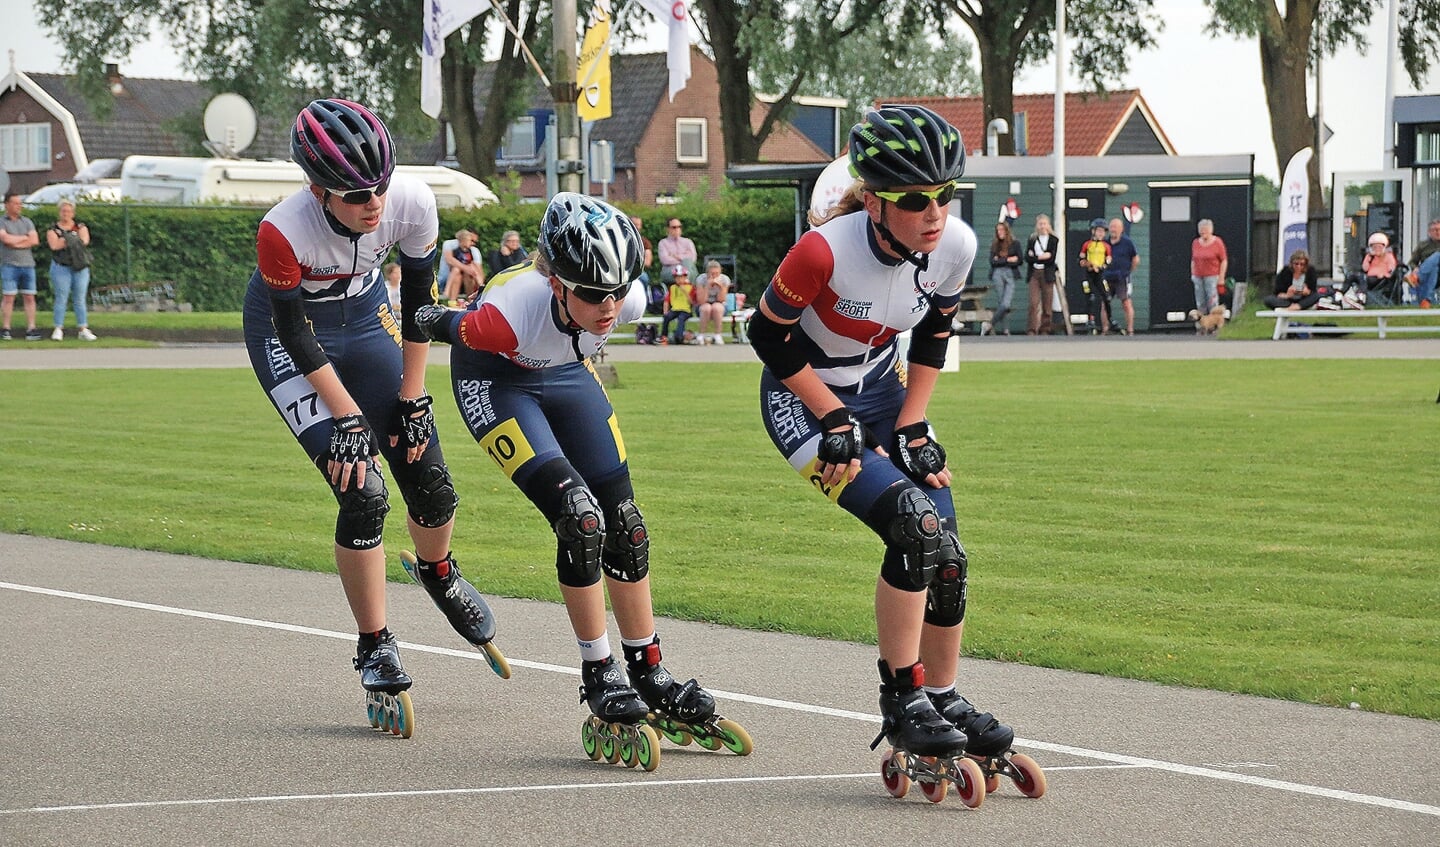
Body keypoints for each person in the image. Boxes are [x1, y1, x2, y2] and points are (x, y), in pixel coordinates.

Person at [414, 192, 748, 768]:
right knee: (580, 518)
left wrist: (604, 304)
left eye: (618, 291)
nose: (610, 306)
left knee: (627, 525)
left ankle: (649, 671)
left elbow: (600, 318)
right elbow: (429, 320)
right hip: (497, 381)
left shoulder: (631, 298)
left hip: (566, 374)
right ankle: (599, 674)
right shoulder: (505, 315)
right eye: (594, 294)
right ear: (556, 283)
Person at [748, 105, 1021, 781]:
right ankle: (902, 697)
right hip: (801, 399)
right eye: (916, 199)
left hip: (879, 389)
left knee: (947, 552)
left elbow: (933, 332)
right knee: (912, 526)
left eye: (945, 194)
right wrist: (831, 415)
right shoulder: (824, 251)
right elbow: (765, 335)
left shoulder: (953, 245)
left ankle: (942, 694)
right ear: (874, 201)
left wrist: (914, 421)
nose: (935, 212)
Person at [241, 98, 504, 729]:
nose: (375, 203)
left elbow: (419, 308)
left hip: (364, 320)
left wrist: (414, 397)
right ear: (317, 188)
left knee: (429, 478)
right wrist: (348, 421)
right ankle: (375, 644)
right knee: (362, 489)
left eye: (380, 185)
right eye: (357, 192)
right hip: (291, 336)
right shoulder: (283, 230)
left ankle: (439, 570)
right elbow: (295, 334)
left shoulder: (413, 203)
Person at [46, 199, 98, 341]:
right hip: (61, 267)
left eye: (68, 211)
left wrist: (66, 239)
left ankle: (82, 328)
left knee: (80, 298)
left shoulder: (81, 226)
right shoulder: (53, 229)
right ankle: (58, 328)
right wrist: (71, 238)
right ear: (59, 212)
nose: (66, 214)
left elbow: (84, 241)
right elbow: (55, 245)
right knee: (61, 297)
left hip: (79, 266)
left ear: (73, 213)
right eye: (63, 211)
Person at [1, 192, 43, 341]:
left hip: (28, 265)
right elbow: (5, 238)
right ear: (7, 204)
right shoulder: (2, 221)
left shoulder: (27, 222)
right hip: (9, 265)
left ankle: (31, 328)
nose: (19, 206)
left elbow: (34, 240)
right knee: (8, 297)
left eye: (20, 203)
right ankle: (6, 328)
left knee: (30, 296)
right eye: (15, 203)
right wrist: (24, 239)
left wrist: (16, 241)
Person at [1103, 217, 1140, 335]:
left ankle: (1130, 329)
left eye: (1116, 227)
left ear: (1121, 229)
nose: (1113, 229)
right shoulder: (1104, 243)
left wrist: (1128, 272)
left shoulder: (1127, 242)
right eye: (1111, 227)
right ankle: (1105, 329)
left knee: (1126, 302)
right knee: (1105, 303)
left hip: (1122, 278)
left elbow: (1135, 259)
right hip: (1107, 277)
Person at [1024, 214, 1059, 335]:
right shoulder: (1032, 239)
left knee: (1047, 303)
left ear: (1048, 225)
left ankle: (1045, 328)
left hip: (1047, 273)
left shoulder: (1054, 240)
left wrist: (1035, 257)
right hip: (1034, 272)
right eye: (1040, 224)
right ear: (1037, 225)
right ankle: (1032, 329)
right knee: (1033, 303)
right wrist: (1040, 257)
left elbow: (1051, 258)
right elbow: (1027, 257)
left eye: (1044, 224)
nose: (1042, 226)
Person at [984, 221, 1021, 336]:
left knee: (1006, 304)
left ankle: (989, 324)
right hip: (997, 274)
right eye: (998, 230)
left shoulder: (1015, 243)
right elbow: (992, 262)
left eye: (1002, 230)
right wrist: (1008, 259)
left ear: (1007, 230)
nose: (1000, 232)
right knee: (1001, 302)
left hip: (1010, 273)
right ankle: (1006, 330)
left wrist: (1000, 259)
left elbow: (1019, 260)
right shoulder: (995, 244)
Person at [1078, 218, 1112, 334]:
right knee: (1090, 296)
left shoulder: (1106, 246)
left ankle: (1110, 319)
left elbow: (1108, 260)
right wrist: (1089, 264)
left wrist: (1102, 266)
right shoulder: (1087, 245)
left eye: (1103, 231)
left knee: (1107, 297)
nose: (1100, 234)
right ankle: (1090, 319)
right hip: (1088, 274)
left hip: (1100, 274)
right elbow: (1081, 260)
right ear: (1093, 231)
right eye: (1098, 231)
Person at [1190, 219, 1228, 315]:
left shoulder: (1217, 242)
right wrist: (1193, 274)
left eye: (1205, 230)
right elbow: (1193, 259)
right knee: (1200, 302)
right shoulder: (1195, 243)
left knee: (1212, 301)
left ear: (1211, 230)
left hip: (1212, 276)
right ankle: (1202, 325)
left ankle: (1214, 326)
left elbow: (1224, 260)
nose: (1203, 233)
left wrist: (1221, 278)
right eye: (1201, 231)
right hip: (1198, 276)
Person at [443, 229, 485, 304]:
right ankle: (450, 296)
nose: (472, 243)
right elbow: (451, 261)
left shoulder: (472, 251)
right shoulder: (455, 250)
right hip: (457, 273)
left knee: (472, 268)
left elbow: (474, 264)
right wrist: (467, 268)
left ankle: (480, 286)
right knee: (456, 270)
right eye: (471, 241)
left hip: (467, 274)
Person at [695, 259, 730, 345]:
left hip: (719, 304)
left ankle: (718, 335)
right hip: (704, 304)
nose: (714, 276)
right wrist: (707, 287)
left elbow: (722, 299)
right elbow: (701, 301)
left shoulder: (724, 279)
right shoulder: (701, 279)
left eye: (716, 273)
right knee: (706, 308)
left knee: (716, 307)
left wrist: (721, 287)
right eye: (712, 274)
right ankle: (701, 335)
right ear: (707, 273)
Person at [657, 217, 697, 285]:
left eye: (679, 227)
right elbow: (665, 260)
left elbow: (693, 258)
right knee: (686, 264)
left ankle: (685, 281)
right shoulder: (663, 243)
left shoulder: (688, 242)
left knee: (687, 263)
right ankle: (686, 283)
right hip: (670, 270)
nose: (677, 229)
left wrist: (675, 256)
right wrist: (684, 258)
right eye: (674, 227)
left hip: (688, 269)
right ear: (668, 229)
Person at [661, 264, 694, 345]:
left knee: (681, 318)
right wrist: (665, 311)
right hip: (675, 309)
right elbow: (666, 300)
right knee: (667, 317)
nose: (679, 279)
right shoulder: (672, 287)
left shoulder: (690, 287)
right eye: (677, 277)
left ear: (685, 277)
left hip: (686, 310)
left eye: (681, 277)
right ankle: (664, 336)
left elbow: (692, 302)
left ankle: (679, 337)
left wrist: (685, 292)